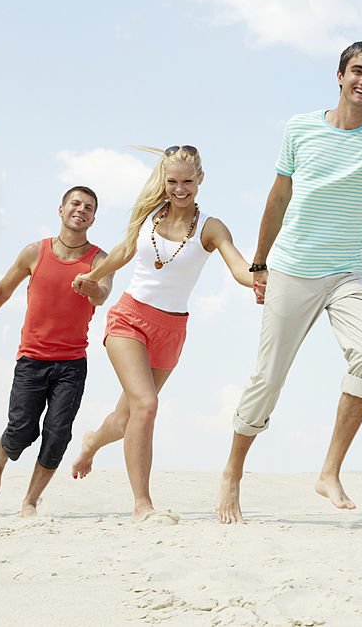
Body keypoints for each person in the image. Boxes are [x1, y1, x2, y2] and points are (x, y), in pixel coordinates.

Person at [215, 41, 362, 524]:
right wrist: (259, 263)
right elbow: (279, 195)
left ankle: (329, 470)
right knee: (268, 378)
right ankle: (233, 472)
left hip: (347, 272)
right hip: (291, 269)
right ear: (339, 75)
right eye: (357, 70)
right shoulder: (301, 128)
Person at [69, 145, 253, 524]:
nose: (180, 189)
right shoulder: (149, 213)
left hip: (171, 329)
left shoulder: (211, 228)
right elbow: (123, 251)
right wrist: (93, 276)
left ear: (200, 179)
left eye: (188, 181)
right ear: (163, 180)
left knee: (125, 420)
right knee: (147, 406)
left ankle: (92, 442)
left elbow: (238, 267)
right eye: (172, 181)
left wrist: (260, 281)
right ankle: (142, 505)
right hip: (129, 319)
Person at [0, 186, 111, 517]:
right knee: (22, 430)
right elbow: (1, 291)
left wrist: (91, 285)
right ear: (61, 209)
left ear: (94, 217)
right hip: (32, 360)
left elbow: (102, 295)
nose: (81, 209)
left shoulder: (98, 259)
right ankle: (0, 455)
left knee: (57, 435)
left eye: (89, 207)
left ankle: (30, 501)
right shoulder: (34, 252)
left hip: (71, 364)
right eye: (76, 203)